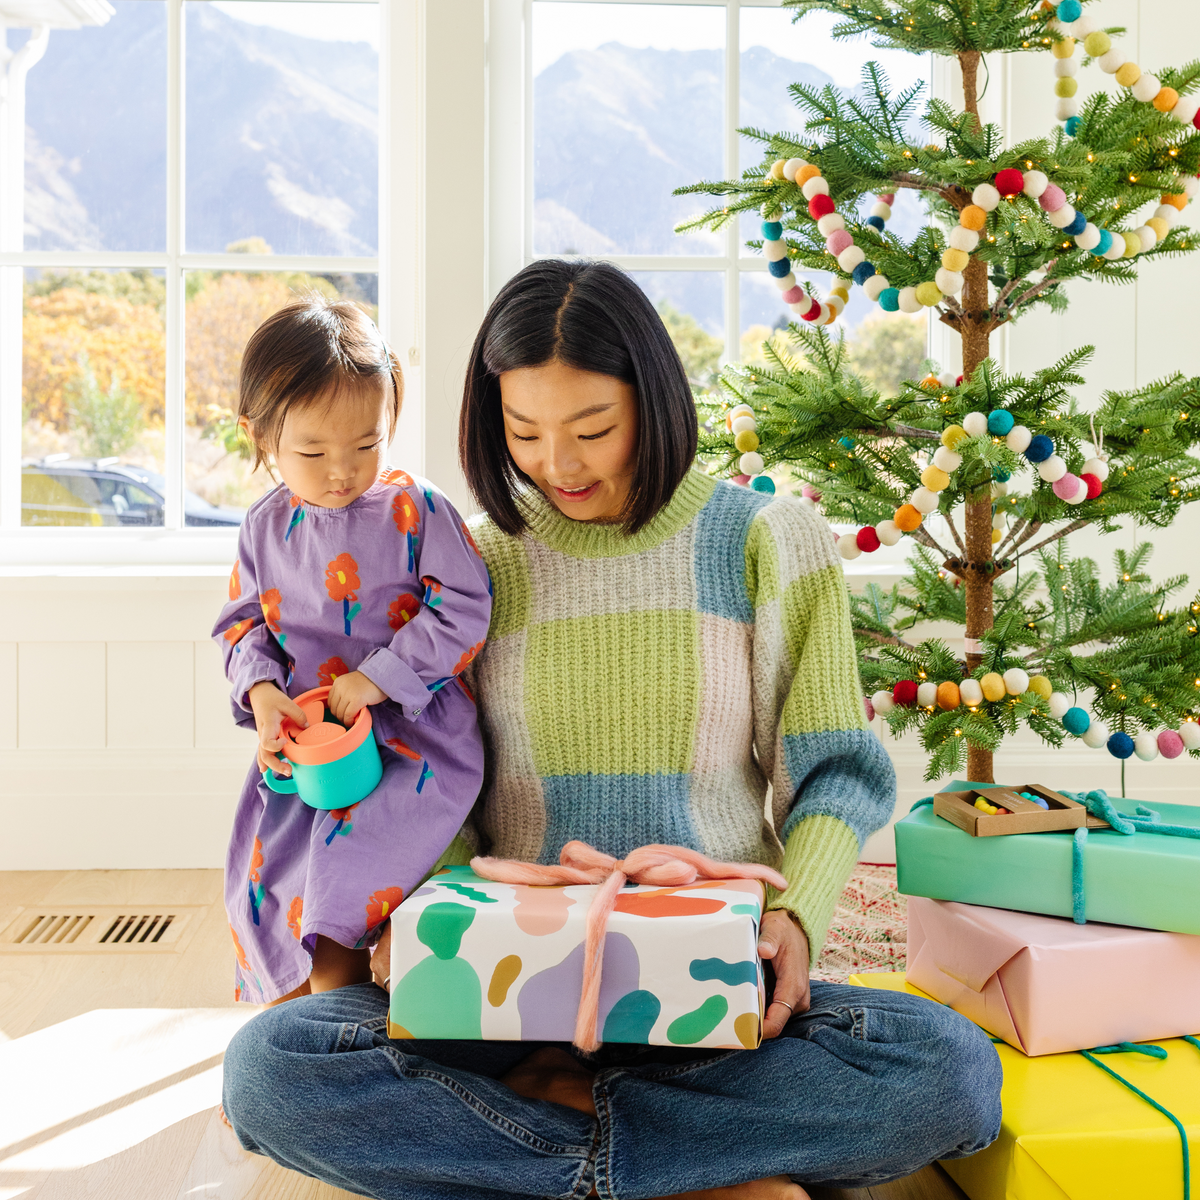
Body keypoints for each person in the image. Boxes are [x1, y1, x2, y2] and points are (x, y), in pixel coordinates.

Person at [221, 264, 1001, 1199]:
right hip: (499, 995)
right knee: (270, 1069)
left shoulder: (764, 539)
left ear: (657, 401)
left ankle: (541, 1152)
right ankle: (677, 1167)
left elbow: (838, 770)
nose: (561, 464)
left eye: (594, 429)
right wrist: (420, 915)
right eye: (525, 433)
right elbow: (433, 772)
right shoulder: (468, 563)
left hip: (711, 992)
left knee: (951, 1070)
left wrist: (798, 915)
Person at [212, 296, 492, 1005]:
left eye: (367, 444)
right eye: (312, 451)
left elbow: (464, 605)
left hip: (408, 740)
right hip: (309, 742)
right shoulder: (263, 527)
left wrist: (379, 678)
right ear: (260, 436)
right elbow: (242, 622)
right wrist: (264, 695)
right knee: (265, 888)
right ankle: (288, 1043)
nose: (343, 470)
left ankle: (334, 1027)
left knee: (339, 888)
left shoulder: (417, 510)